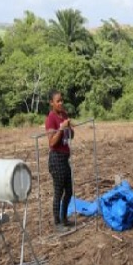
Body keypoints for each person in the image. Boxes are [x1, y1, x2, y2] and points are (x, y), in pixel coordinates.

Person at [45, 90, 75, 231]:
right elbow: (52, 142)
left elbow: (71, 136)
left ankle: (64, 218)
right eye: (58, 101)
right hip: (56, 158)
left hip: (64, 158)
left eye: (62, 100)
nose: (61, 103)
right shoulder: (51, 118)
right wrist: (61, 129)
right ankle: (57, 223)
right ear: (52, 103)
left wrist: (69, 127)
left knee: (69, 191)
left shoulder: (64, 115)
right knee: (58, 192)